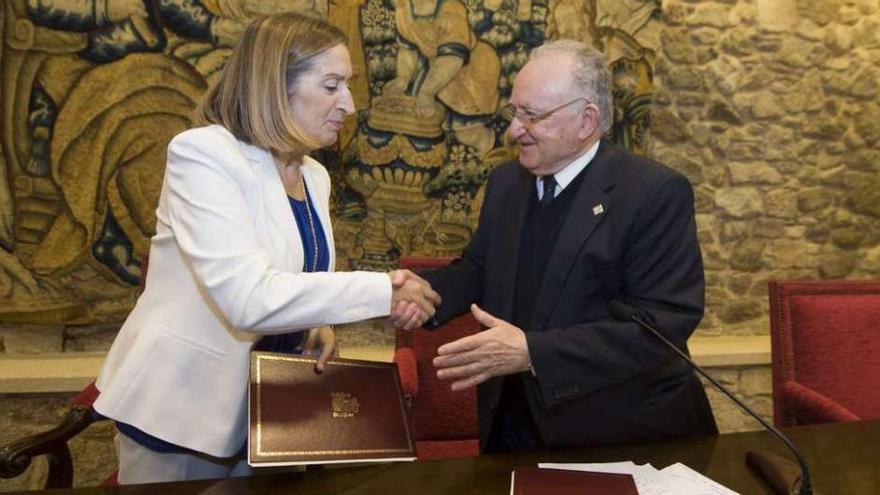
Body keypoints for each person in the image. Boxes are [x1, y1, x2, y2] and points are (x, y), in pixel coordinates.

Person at [93, 12, 440, 484]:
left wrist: (315, 327)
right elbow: (247, 298)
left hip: (268, 415)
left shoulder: (314, 175)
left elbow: (294, 276)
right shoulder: (204, 154)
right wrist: (386, 291)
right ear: (276, 86)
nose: (350, 105)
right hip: (182, 411)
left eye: (349, 86)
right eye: (332, 86)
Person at [392, 40, 716, 453]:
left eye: (532, 116)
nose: (513, 131)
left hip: (615, 432)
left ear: (586, 120)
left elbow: (661, 326)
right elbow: (481, 268)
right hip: (511, 424)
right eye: (515, 113)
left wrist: (534, 352)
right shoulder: (506, 183)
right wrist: (424, 293)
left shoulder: (653, 193)